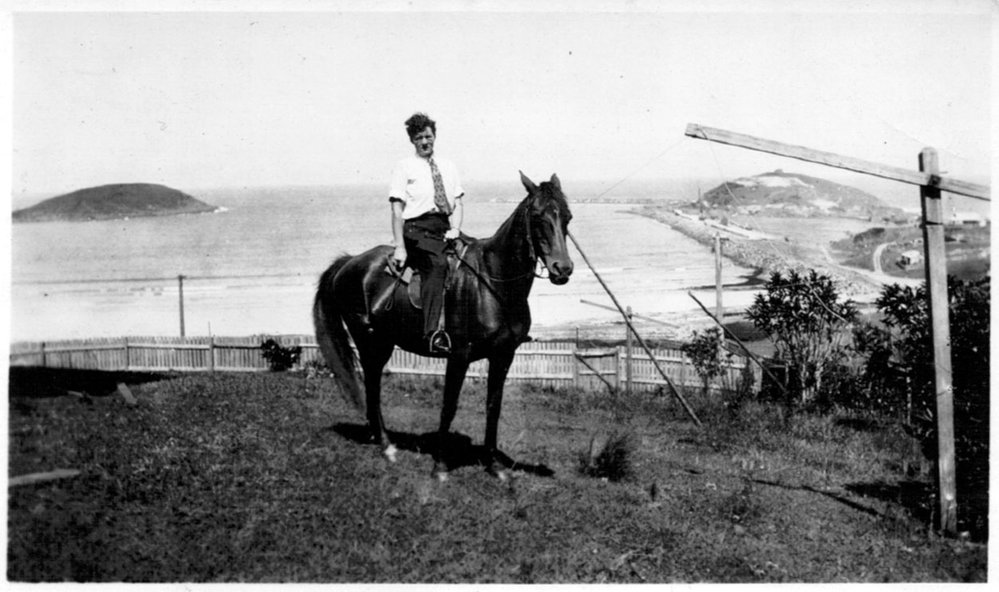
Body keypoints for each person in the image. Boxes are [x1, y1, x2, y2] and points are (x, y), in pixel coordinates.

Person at [388, 112, 464, 353]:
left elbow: (457, 204)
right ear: (412, 140)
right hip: (416, 230)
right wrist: (400, 247)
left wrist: (456, 229)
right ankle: (433, 333)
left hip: (444, 228)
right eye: (419, 137)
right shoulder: (404, 167)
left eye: (428, 136)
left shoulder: (448, 166)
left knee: (474, 256)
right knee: (437, 264)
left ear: (434, 137)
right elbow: (397, 210)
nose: (424, 142)